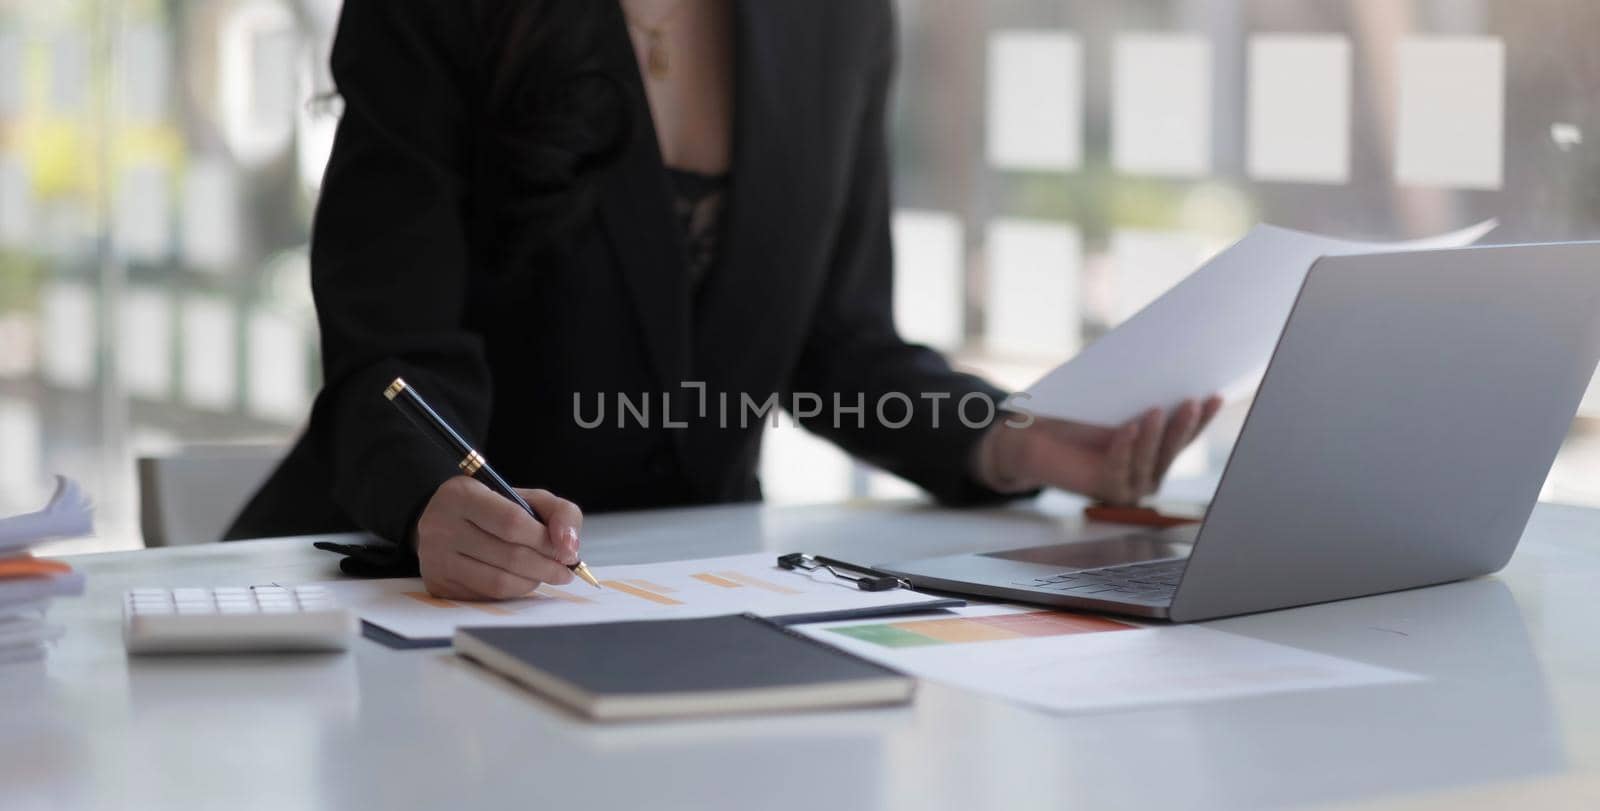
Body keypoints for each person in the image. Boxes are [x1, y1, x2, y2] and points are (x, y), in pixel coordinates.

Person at [230, 0, 1220, 599]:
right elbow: (388, 357)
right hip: (413, 591)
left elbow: (839, 342)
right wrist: (430, 497)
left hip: (691, 592)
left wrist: (1006, 439)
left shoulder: (838, 20)